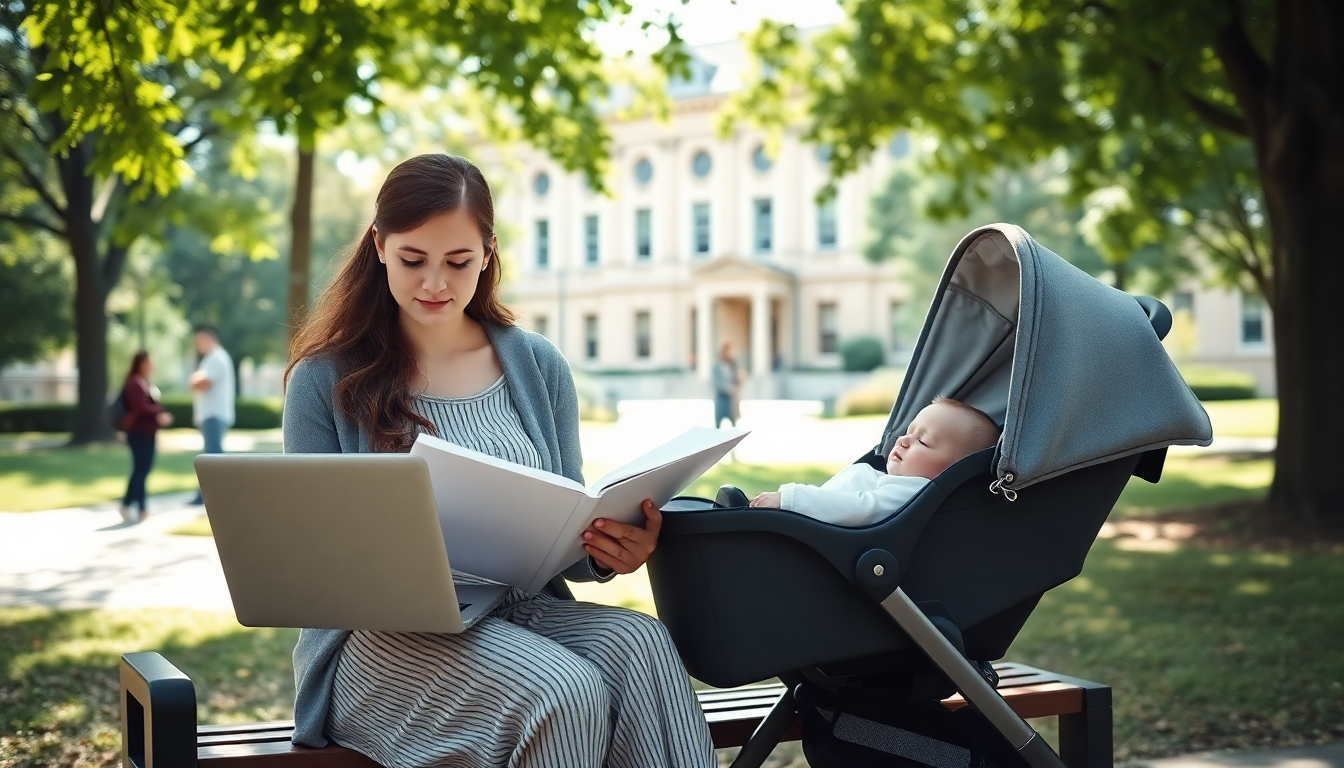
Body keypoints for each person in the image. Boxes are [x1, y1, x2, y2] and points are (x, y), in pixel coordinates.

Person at [281, 154, 715, 768]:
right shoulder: (324, 378)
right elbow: (310, 561)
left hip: (519, 610)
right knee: (563, 692)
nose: (436, 283)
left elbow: (566, 520)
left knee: (641, 642)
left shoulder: (537, 366)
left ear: (487, 252)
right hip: (380, 641)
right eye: (413, 260)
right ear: (378, 246)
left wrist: (608, 550)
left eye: (458, 262)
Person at [749, 397, 1000, 526]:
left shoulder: (914, 493)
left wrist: (791, 500)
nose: (903, 440)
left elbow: (863, 509)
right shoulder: (890, 481)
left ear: (954, 473)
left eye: (923, 441)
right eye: (909, 431)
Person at [118, 351, 173, 524]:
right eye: (148, 362)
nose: (151, 365)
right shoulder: (135, 383)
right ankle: (128, 504)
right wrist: (159, 411)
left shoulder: (143, 383)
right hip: (139, 433)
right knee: (140, 470)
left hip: (146, 432)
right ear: (140, 363)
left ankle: (141, 507)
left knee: (143, 470)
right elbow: (141, 408)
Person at [187, 325, 234, 505]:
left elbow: (202, 382)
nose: (198, 345)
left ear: (209, 338)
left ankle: (212, 495)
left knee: (212, 458)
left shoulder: (216, 358)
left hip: (214, 414)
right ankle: (206, 495)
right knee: (210, 456)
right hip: (211, 415)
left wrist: (193, 379)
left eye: (200, 341)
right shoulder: (211, 359)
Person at [712, 339, 741, 428]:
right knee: (718, 423)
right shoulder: (717, 364)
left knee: (733, 422)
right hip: (721, 396)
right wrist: (729, 388)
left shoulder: (733, 364)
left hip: (731, 399)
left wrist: (740, 380)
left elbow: (736, 379)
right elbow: (716, 382)